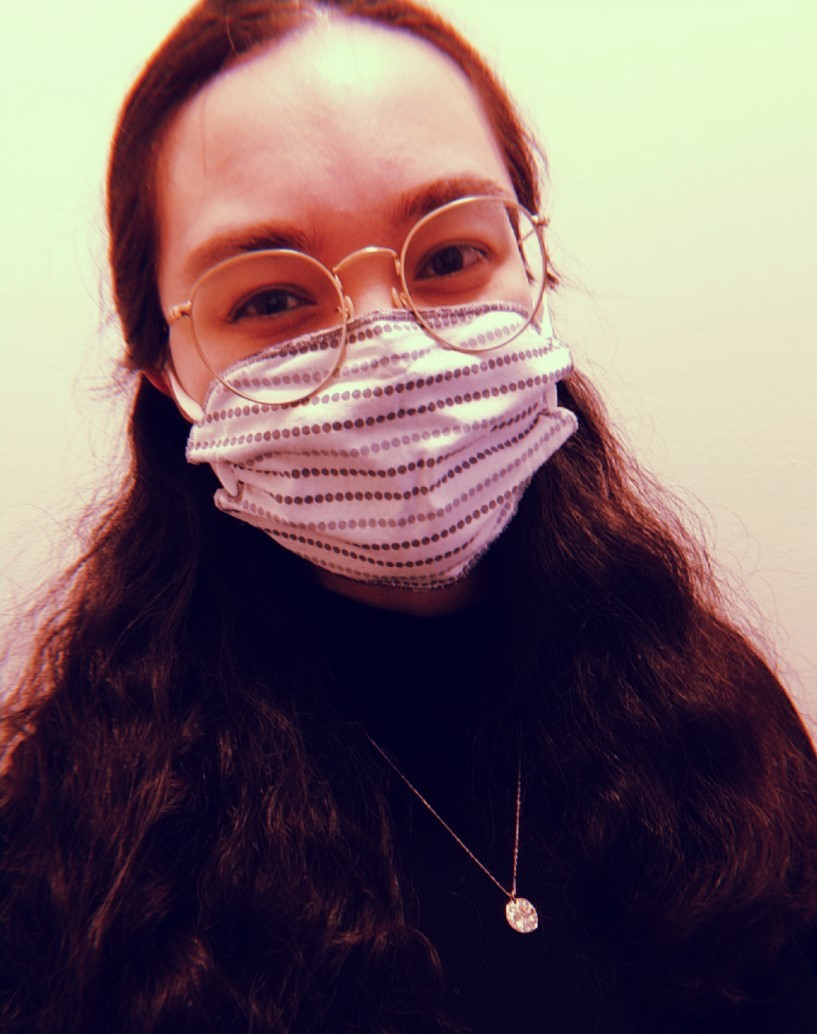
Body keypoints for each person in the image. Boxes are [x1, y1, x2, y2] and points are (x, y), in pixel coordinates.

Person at [2, 1, 816, 1031]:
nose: (391, 349)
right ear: (166, 374)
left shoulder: (717, 715)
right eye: (269, 299)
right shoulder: (85, 853)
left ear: (532, 267)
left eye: (447, 257)